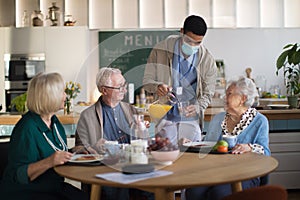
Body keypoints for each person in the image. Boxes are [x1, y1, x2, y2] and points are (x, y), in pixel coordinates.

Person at [0, 72, 88, 200]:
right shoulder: (26, 128)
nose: (65, 96)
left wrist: (73, 152)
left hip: (52, 186)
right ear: (49, 96)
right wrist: (50, 161)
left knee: (84, 197)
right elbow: (19, 175)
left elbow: (53, 152)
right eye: (62, 92)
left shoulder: (55, 122)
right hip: (26, 191)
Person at [73, 67, 153, 200]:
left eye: (124, 85)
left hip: (133, 165)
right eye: (120, 87)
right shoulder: (87, 116)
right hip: (105, 169)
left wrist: (142, 132)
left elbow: (144, 145)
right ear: (104, 90)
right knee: (116, 191)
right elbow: (79, 148)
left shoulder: (131, 110)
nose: (125, 90)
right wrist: (94, 147)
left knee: (152, 187)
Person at [185, 77, 271, 200]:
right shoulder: (218, 118)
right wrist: (191, 144)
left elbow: (266, 153)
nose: (224, 98)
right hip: (216, 171)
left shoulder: (260, 121)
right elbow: (207, 144)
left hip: (245, 173)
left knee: (219, 193)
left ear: (243, 98)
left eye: (229, 94)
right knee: (193, 191)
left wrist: (249, 147)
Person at [143, 15, 217, 143]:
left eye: (198, 43)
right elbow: (147, 81)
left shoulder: (207, 60)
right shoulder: (160, 51)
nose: (193, 45)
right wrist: (157, 87)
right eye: (189, 41)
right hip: (165, 116)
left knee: (192, 157)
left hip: (190, 118)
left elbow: (207, 93)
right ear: (181, 31)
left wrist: (198, 106)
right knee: (164, 154)